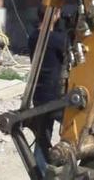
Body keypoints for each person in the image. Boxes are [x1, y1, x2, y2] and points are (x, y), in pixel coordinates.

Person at [27, 9, 68, 176]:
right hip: (54, 95)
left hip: (39, 94)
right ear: (55, 15)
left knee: (42, 136)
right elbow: (68, 49)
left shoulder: (33, 37)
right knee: (73, 126)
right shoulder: (56, 39)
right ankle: (67, 162)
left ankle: (41, 173)